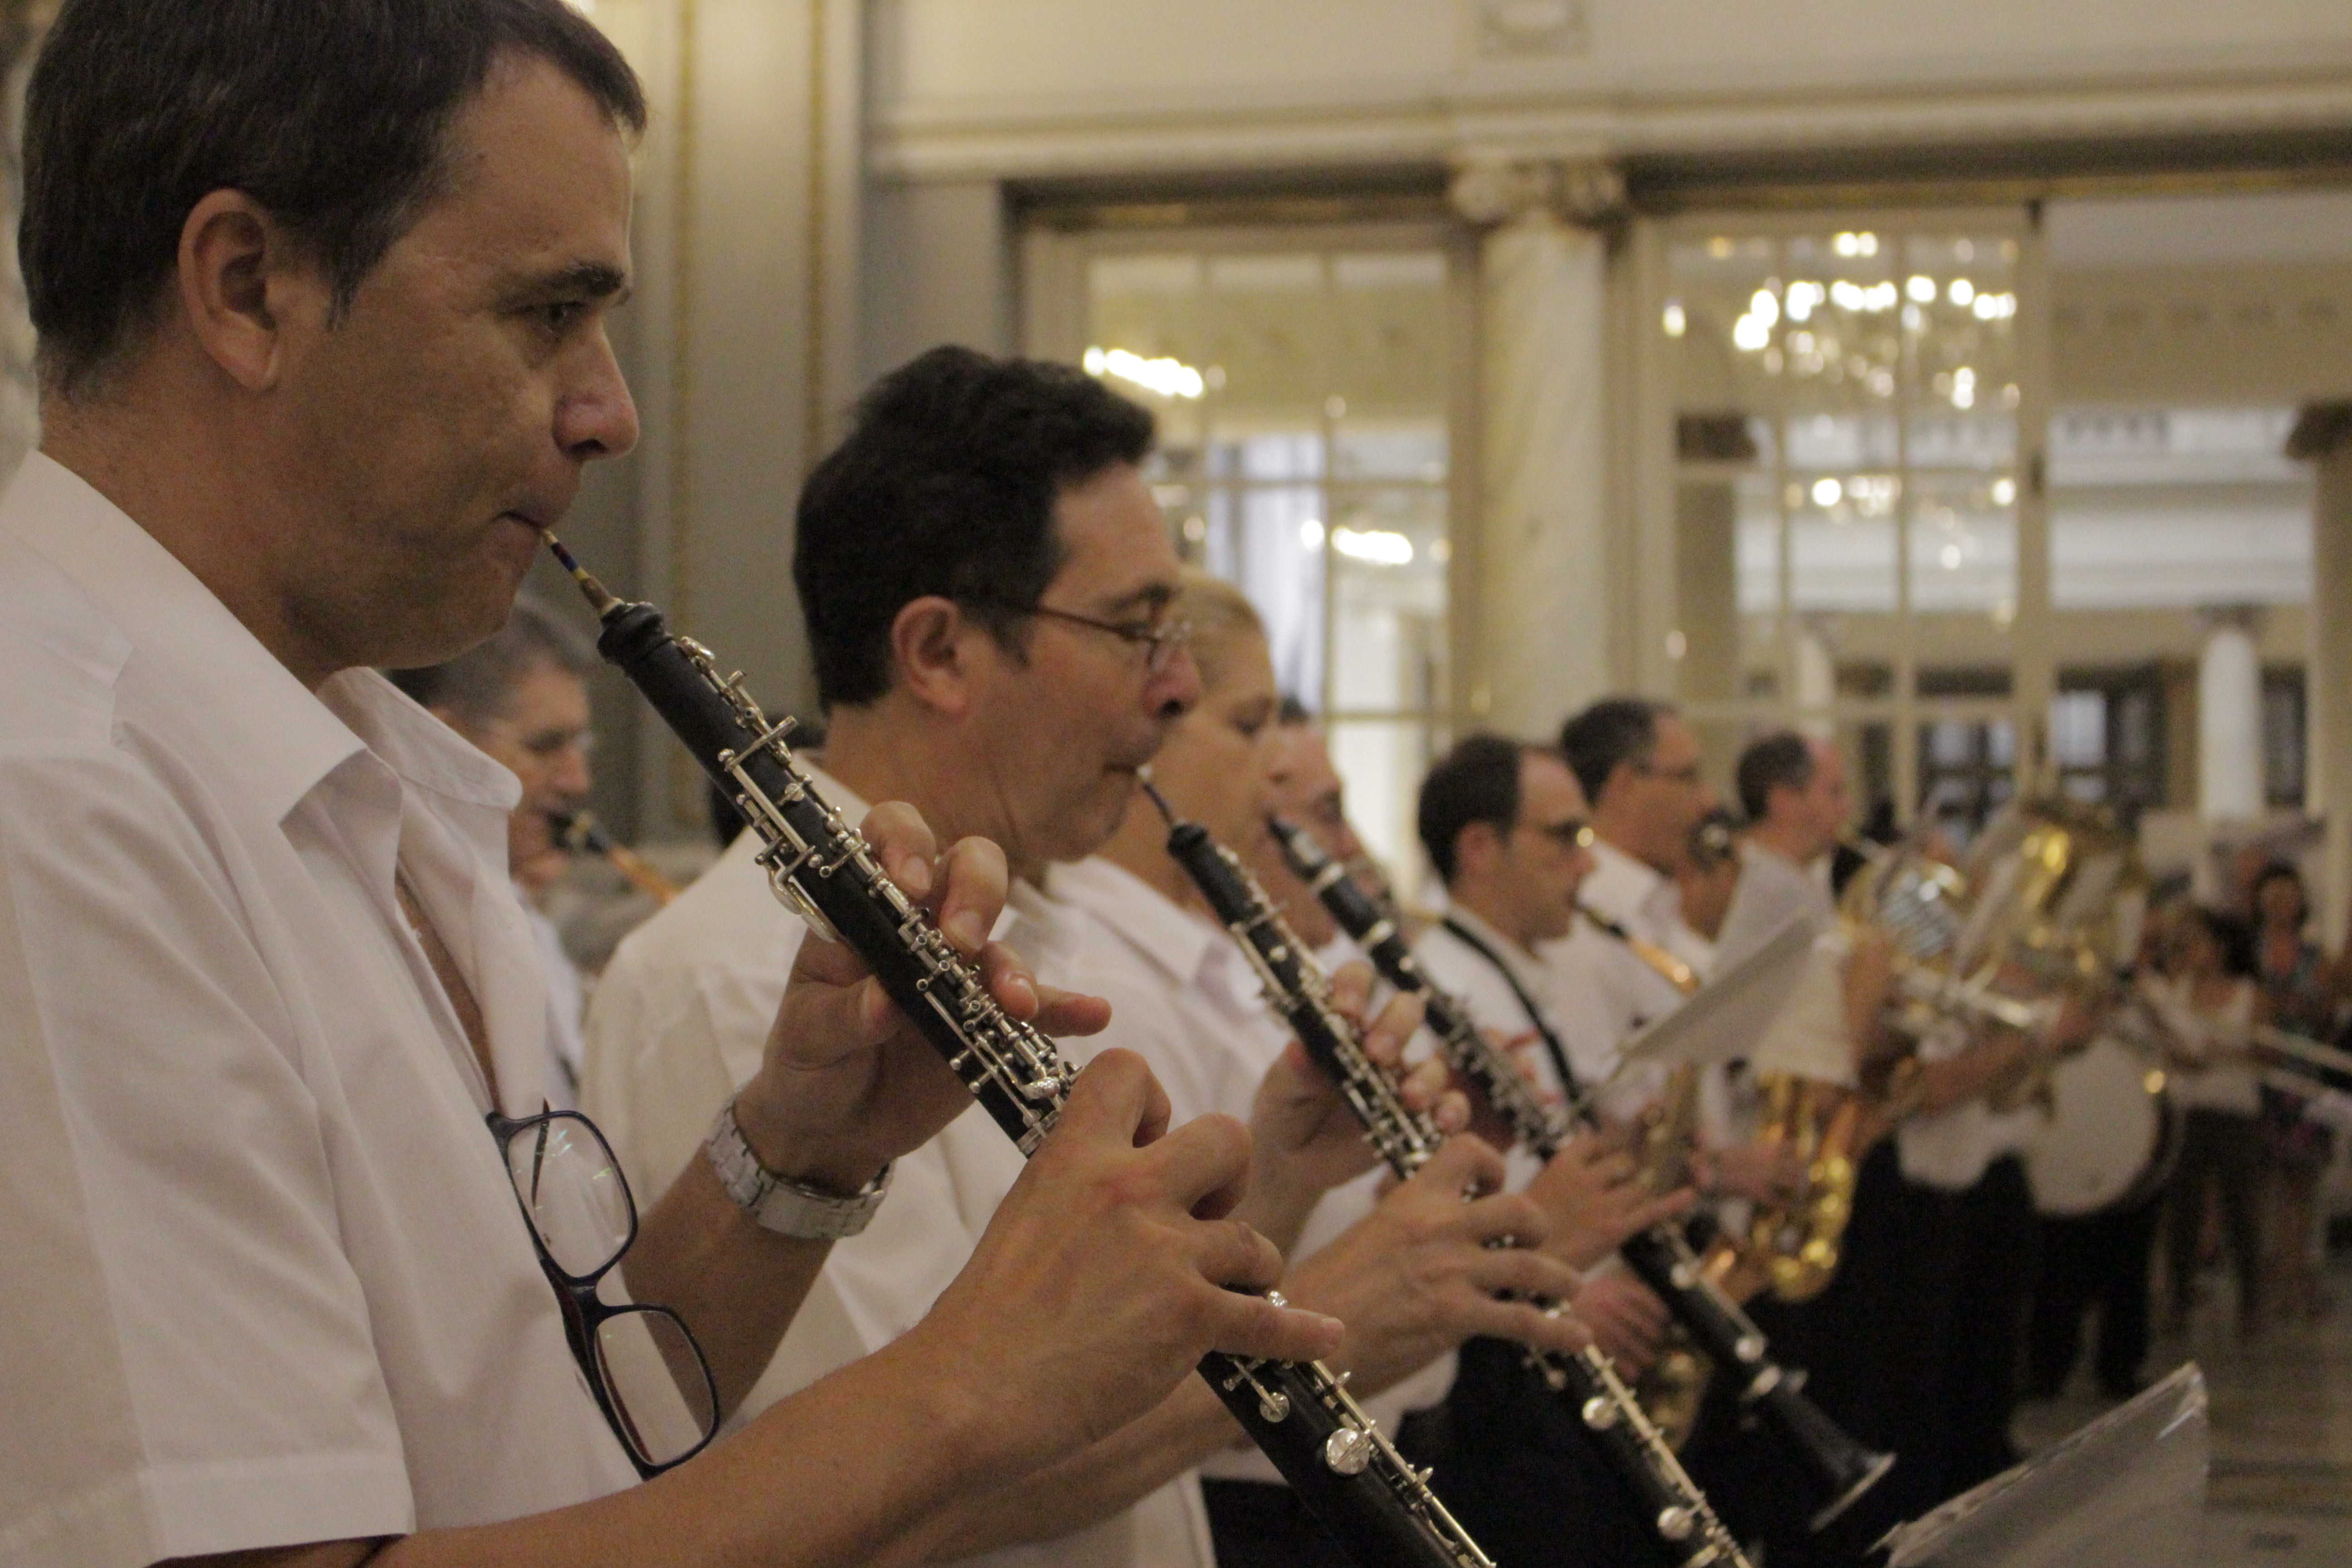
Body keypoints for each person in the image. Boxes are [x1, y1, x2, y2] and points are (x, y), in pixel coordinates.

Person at [0, 6, 1349, 1566]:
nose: (610, 413)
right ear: (248, 288)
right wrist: (977, 1381)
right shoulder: (55, 798)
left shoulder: (360, 769)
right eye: (546, 313)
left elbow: (566, 1416)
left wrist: (800, 1152)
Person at [581, 349, 1592, 1568]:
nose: (1174, 690)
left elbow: (1097, 1346)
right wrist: (1339, 1315)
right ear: (939, 653)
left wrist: (1276, 1179)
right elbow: (878, 1509)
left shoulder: (1032, 922)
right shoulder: (741, 977)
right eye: (1133, 630)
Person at [1405, 730, 1700, 1568]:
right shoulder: (1444, 987)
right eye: (1565, 837)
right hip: (1503, 1386)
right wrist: (1564, 1294)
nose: (1587, 863)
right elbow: (1442, 1211)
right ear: (1478, 848)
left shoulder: (1515, 971)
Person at [392, 594, 600, 1103]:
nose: (578, 782)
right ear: (445, 744)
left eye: (581, 747)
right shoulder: (397, 923)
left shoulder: (520, 909)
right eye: (546, 746)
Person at [2152, 905, 2269, 1339]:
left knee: (2243, 1209)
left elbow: (2266, 1052)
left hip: (2235, 1111)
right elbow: (2164, 1042)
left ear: (2220, 948)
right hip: (2189, 1110)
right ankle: (2178, 1299)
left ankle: (2252, 1302)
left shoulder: (2249, 994)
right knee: (2183, 1210)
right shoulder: (2174, 993)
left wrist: (2222, 1052)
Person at [2247, 861, 2339, 1322]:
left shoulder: (2315, 956)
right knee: (2258, 1181)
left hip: (2302, 1078)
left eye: (2289, 893)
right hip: (2256, 1077)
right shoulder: (2247, 952)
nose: (2282, 902)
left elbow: (2326, 1014)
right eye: (2274, 892)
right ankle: (2263, 1278)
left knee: (2301, 1181)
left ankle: (2296, 1272)